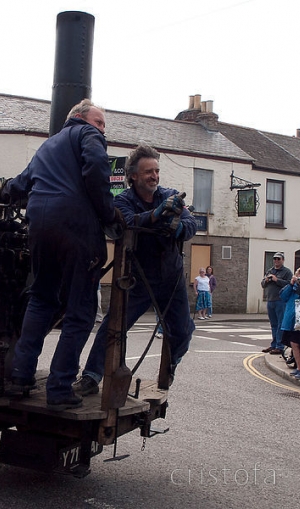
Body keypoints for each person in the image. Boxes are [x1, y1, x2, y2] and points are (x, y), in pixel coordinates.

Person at [0, 98, 119, 411]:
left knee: (41, 298)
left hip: (40, 225)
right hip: (75, 226)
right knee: (80, 308)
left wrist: (2, 190)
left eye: (104, 125)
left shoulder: (47, 147)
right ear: (79, 117)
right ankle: (60, 387)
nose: (102, 130)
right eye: (99, 121)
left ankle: (20, 376)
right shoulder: (87, 136)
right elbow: (96, 168)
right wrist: (108, 215)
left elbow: (20, 184)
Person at [79, 144, 197, 395]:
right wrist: (155, 216)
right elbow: (127, 222)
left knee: (183, 330)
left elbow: (190, 224)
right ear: (133, 176)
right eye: (148, 172)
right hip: (139, 279)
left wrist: (177, 226)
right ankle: (91, 376)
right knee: (113, 326)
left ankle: (172, 363)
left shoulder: (170, 194)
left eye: (156, 171)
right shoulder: (123, 200)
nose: (154, 176)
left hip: (172, 278)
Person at [279, 267, 300, 380]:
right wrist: (291, 284)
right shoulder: (292, 288)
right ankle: (299, 367)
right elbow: (283, 296)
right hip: (292, 321)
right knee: (294, 343)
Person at [261, 252, 293, 355]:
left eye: (278, 259)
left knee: (280, 324)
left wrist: (277, 280)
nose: (276, 261)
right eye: (275, 259)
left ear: (283, 260)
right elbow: (262, 284)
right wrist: (266, 280)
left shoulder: (287, 272)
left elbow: (289, 284)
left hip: (280, 301)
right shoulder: (270, 271)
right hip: (270, 300)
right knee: (273, 324)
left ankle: (280, 346)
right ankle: (274, 344)